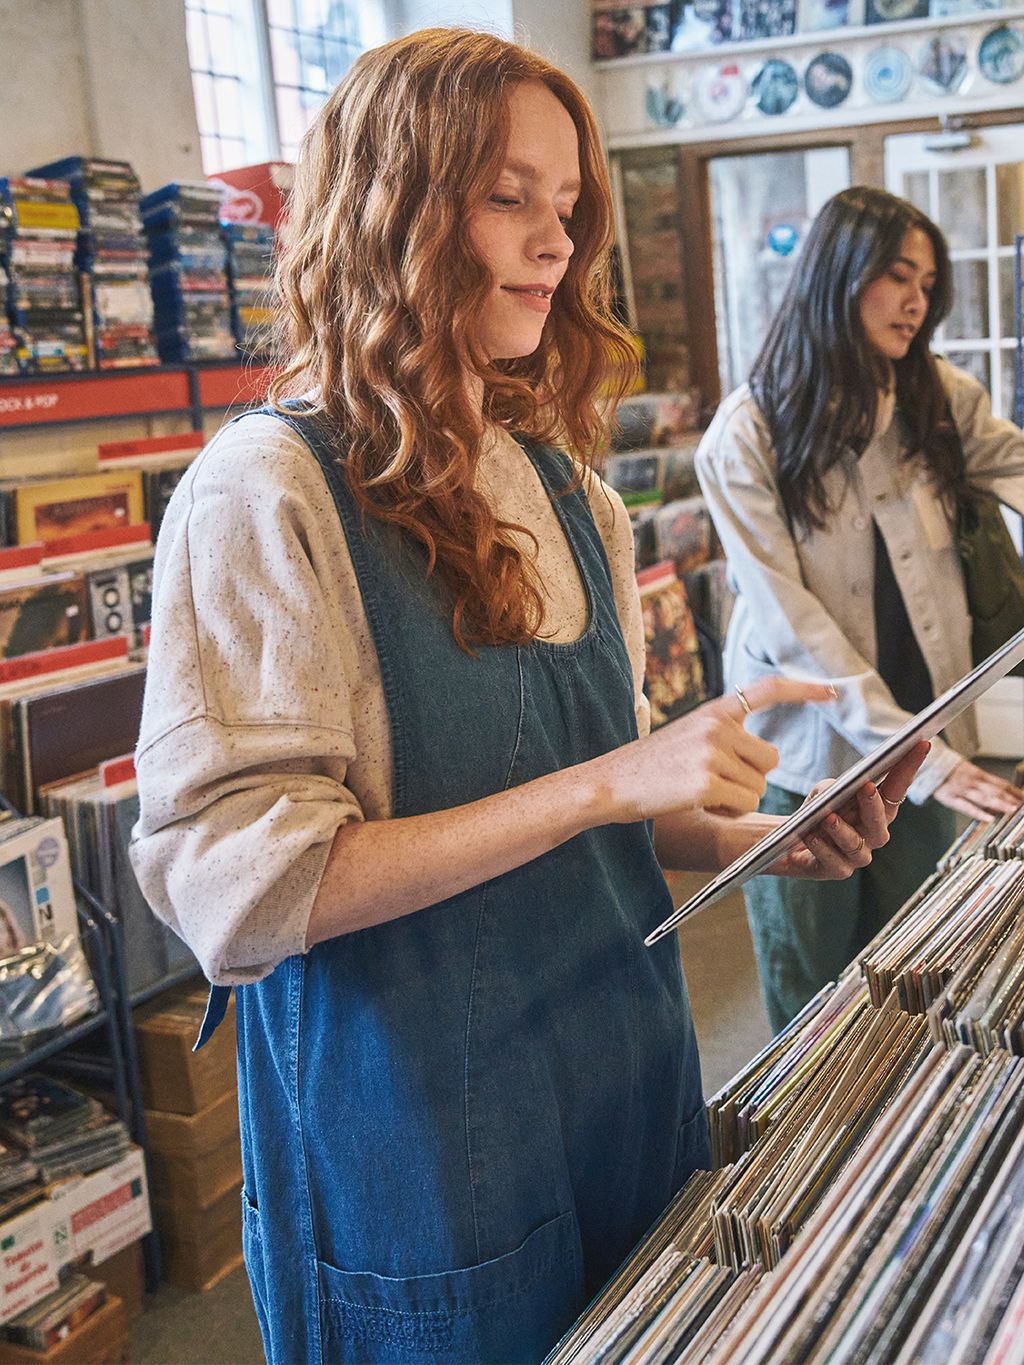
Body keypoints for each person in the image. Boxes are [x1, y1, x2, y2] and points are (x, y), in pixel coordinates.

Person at [129, 42, 923, 1364]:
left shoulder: (569, 490)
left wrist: (758, 836)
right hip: (426, 1154)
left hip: (626, 1082)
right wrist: (618, 780)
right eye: (511, 197)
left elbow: (595, 815)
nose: (557, 242)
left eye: (569, 208)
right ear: (395, 205)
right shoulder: (266, 491)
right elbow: (243, 892)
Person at [696, 185, 1024, 1036]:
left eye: (927, 280)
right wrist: (933, 759)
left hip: (924, 744)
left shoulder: (936, 396)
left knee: (922, 977)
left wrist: (930, 756)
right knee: (814, 1007)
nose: (917, 299)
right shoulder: (748, 433)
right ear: (838, 277)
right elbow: (789, 628)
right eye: (895, 274)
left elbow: (1016, 464)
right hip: (808, 764)